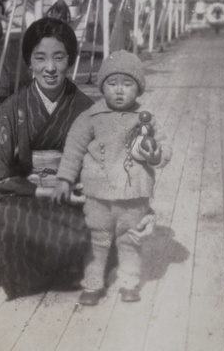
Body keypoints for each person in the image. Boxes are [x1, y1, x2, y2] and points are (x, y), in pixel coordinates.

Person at [0, 18, 154, 299]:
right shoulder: (10, 111)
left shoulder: (90, 110)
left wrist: (142, 209)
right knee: (10, 217)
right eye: (40, 58)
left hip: (74, 201)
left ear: (71, 60)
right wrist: (43, 190)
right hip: (24, 199)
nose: (50, 68)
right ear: (29, 62)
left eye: (59, 57)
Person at [53, 50, 169, 306]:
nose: (119, 91)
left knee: (130, 242)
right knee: (99, 241)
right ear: (102, 86)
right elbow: (74, 149)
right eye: (112, 84)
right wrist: (64, 178)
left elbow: (163, 152)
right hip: (99, 198)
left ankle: (129, 283)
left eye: (127, 84)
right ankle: (93, 285)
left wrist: (154, 153)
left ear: (138, 89)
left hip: (132, 197)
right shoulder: (91, 117)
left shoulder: (145, 120)